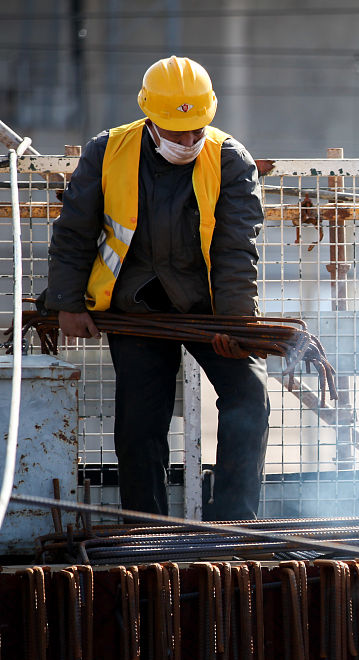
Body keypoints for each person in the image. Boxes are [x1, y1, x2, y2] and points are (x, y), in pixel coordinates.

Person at [43, 55, 269, 521]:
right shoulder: (107, 151)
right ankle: (146, 530)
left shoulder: (230, 160)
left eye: (195, 131)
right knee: (140, 423)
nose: (187, 142)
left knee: (249, 396)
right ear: (149, 119)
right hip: (136, 307)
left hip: (209, 309)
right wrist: (67, 301)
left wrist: (236, 326)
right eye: (175, 132)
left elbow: (236, 250)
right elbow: (74, 233)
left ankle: (234, 524)